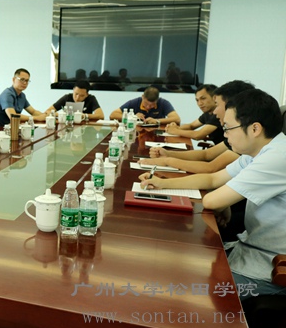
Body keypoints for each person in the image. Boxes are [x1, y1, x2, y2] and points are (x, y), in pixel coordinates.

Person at [139, 89, 286, 299]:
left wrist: (223, 202)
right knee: (176, 264)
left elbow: (212, 200)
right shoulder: (259, 151)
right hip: (251, 250)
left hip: (271, 268)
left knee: (185, 288)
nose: (225, 134)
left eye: (228, 128)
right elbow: (213, 179)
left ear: (255, 128)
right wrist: (162, 184)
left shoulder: (277, 157)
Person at [140, 81, 254, 174]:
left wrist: (168, 160)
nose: (200, 103)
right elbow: (193, 129)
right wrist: (168, 152)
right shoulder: (233, 132)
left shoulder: (244, 139)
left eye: (203, 99)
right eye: (197, 100)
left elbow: (200, 138)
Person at [109, 86, 180, 125]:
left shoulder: (163, 103)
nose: (148, 107)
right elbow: (113, 115)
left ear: (157, 100)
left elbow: (177, 119)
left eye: (152, 105)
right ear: (142, 97)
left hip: (156, 135)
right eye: (146, 104)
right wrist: (133, 117)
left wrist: (157, 121)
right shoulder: (135, 102)